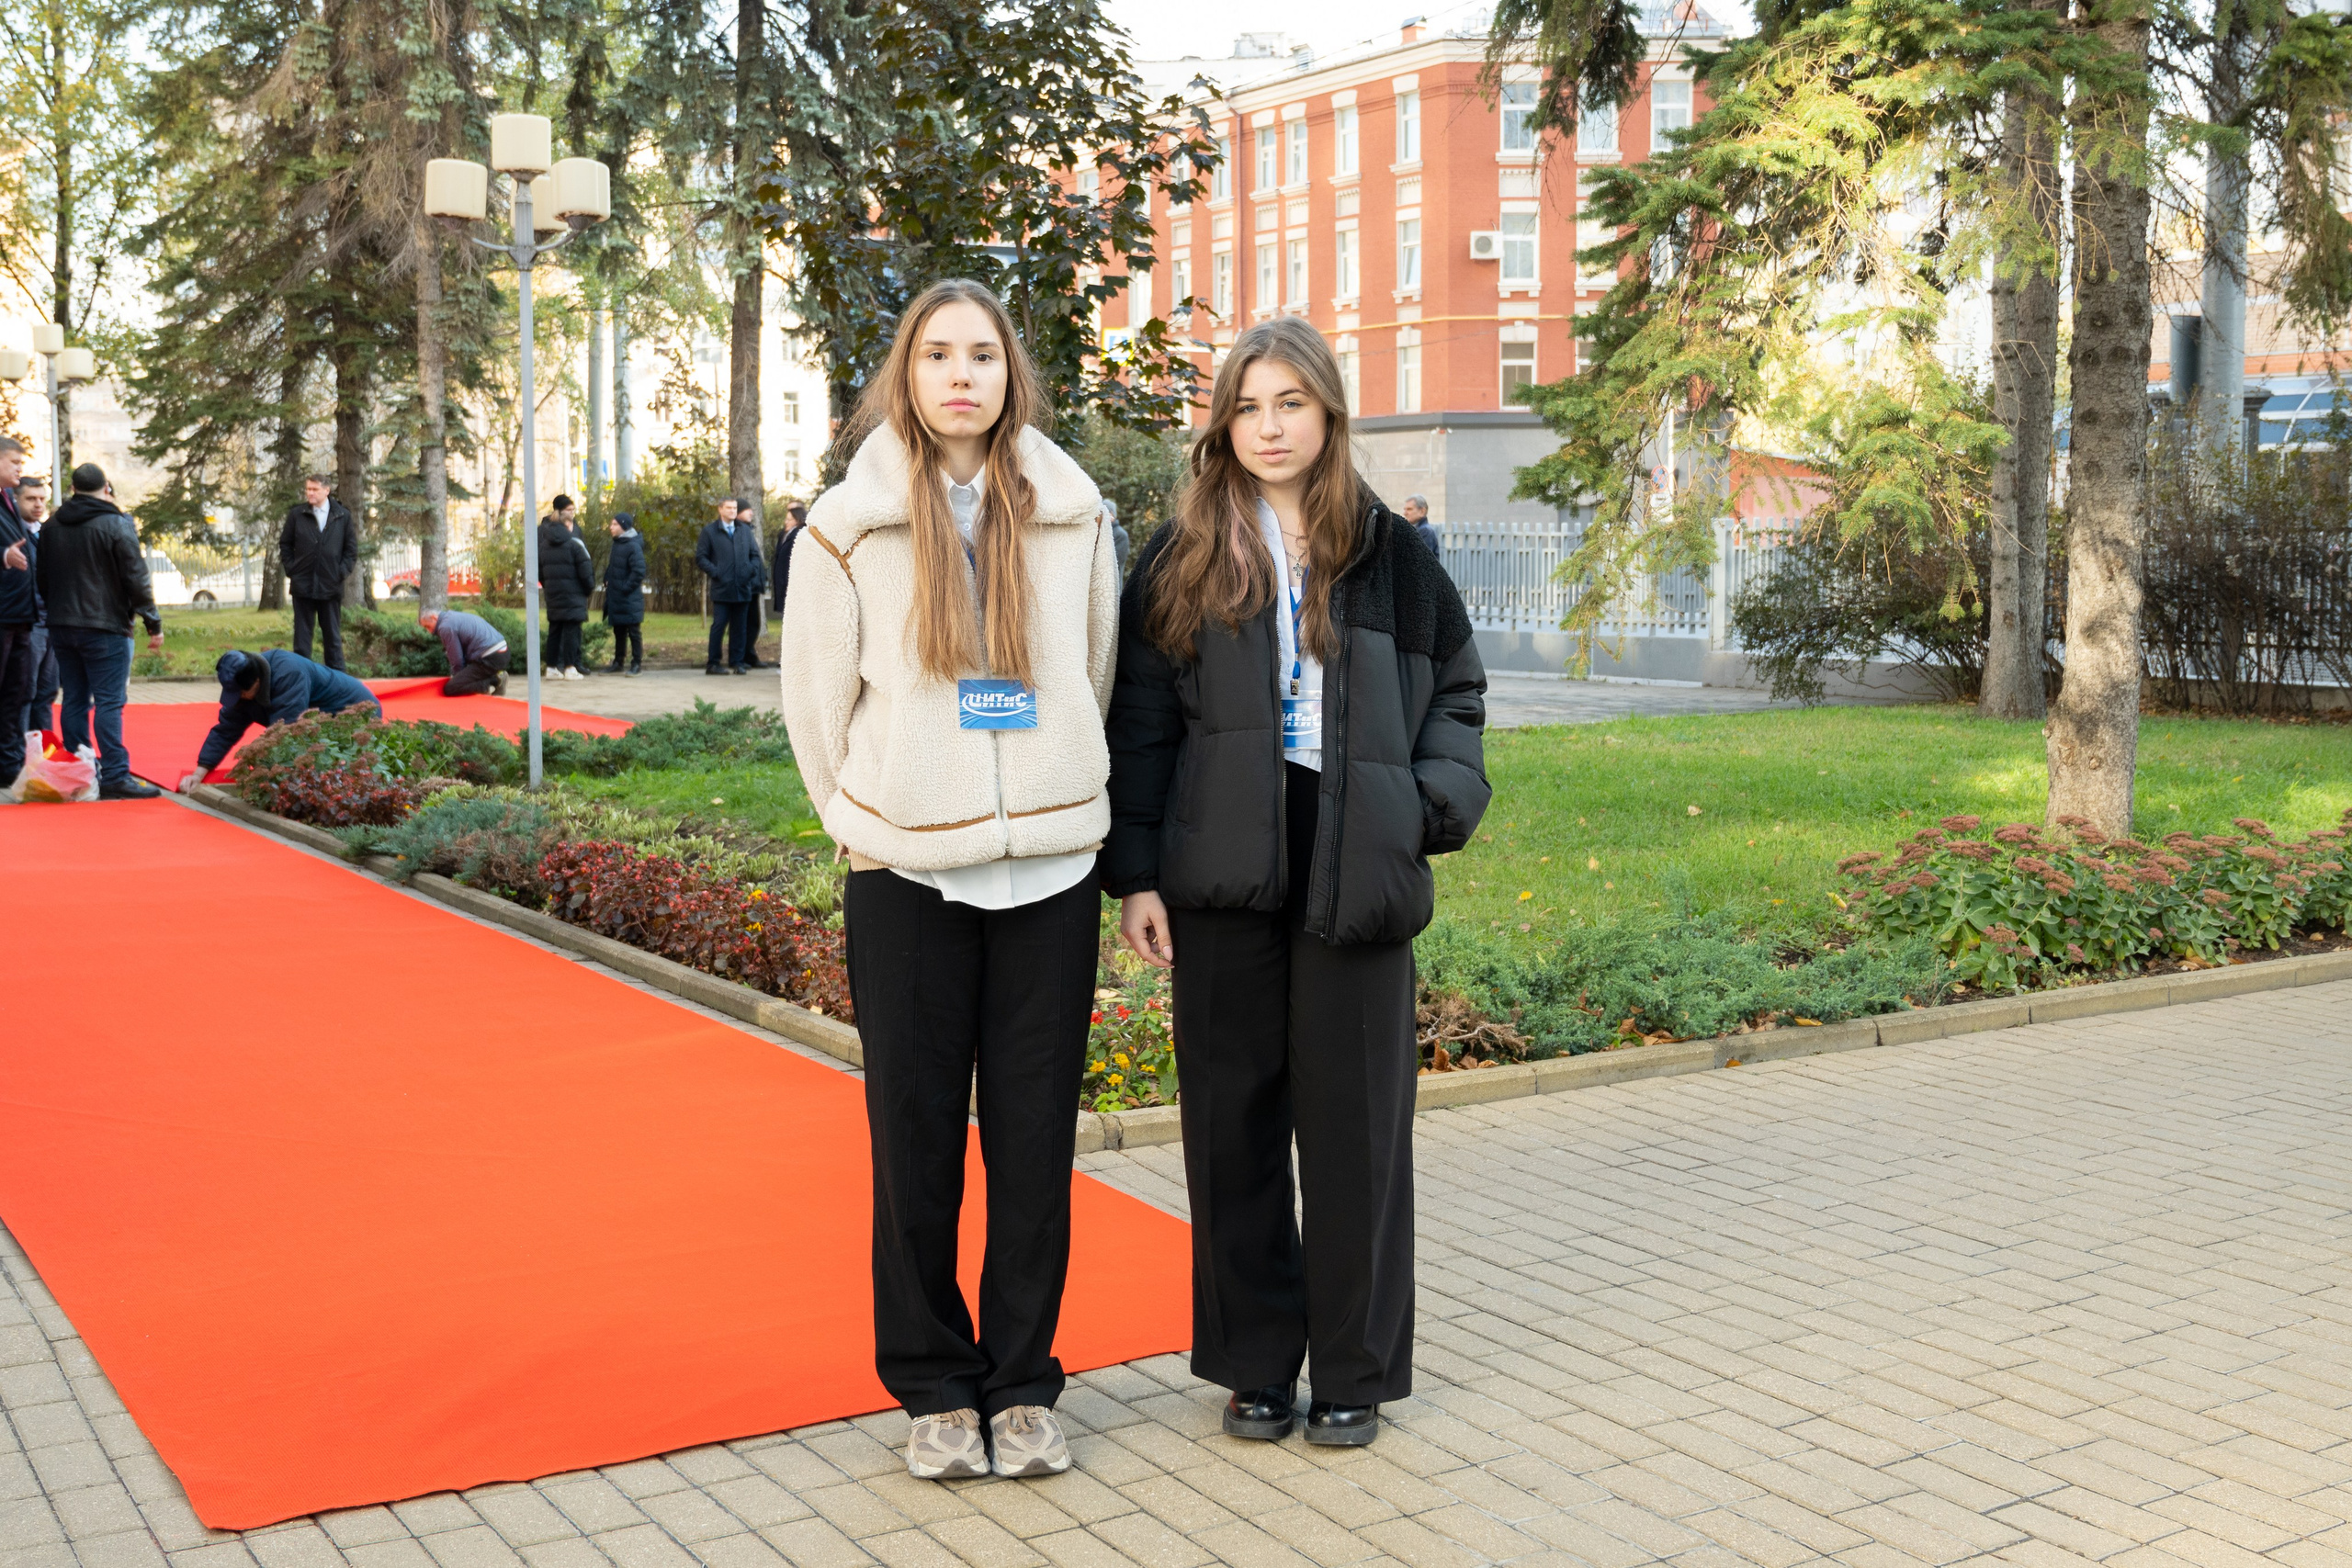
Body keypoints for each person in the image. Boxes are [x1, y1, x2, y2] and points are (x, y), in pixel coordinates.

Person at [1103, 316, 1489, 1449]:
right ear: (1223, 424)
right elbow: (1136, 726)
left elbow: (1457, 698)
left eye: (1291, 405)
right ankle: (1256, 1366)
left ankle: (1356, 1370)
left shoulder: (1393, 556)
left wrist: (1422, 811)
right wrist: (1136, 875)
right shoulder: (1178, 558)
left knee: (1357, 1127)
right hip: (1219, 862)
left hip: (1352, 856)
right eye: (1248, 407)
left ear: (1328, 414)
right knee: (1232, 1125)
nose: (1269, 428)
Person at [778, 278, 1118, 1483]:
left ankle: (1022, 1383)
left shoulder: (1074, 514)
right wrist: (859, 819)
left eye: (981, 352)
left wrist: (1066, 792)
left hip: (1050, 877)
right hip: (909, 876)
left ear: (1009, 371)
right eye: (937, 355)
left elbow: (1093, 666)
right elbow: (817, 701)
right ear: (908, 376)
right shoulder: (847, 525)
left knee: (1033, 1143)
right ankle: (932, 1381)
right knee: (915, 1139)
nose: (961, 374)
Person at [34, 464, 165, 799]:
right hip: (106, 626)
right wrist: (152, 622)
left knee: (75, 699)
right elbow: (136, 577)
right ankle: (116, 775)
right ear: (105, 487)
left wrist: (57, 612)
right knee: (109, 701)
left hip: (62, 626)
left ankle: (82, 770)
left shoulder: (50, 527)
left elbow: (43, 579)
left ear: (74, 488)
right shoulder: (116, 524)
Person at [176, 649, 381, 789]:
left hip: (355, 710)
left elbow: (284, 732)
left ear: (257, 681)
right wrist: (199, 773)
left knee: (344, 772)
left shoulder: (289, 674)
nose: (239, 699)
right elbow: (226, 729)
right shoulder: (244, 680)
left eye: (242, 693)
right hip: (319, 715)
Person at [278, 475, 357, 670]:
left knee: (332, 637)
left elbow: (351, 550)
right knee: (302, 640)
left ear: (326, 490)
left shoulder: (342, 516)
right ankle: (301, 680)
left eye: (314, 489)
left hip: (330, 586)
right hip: (303, 586)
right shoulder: (297, 515)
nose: (310, 493)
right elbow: (285, 544)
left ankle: (338, 683)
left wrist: (340, 573)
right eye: (308, 489)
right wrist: (292, 570)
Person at [696, 492, 765, 675]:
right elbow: (701, 557)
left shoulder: (744, 531)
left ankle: (737, 662)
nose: (733, 511)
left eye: (735, 508)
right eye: (729, 508)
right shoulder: (710, 532)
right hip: (722, 588)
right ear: (720, 509)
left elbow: (755, 556)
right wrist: (716, 572)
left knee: (740, 627)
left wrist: (749, 571)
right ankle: (713, 663)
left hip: (742, 588)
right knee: (719, 626)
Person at [0, 440, 32, 788]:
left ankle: (8, 768)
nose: (20, 468)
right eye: (14, 461)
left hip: (19, 615)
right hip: (4, 612)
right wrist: (2, 554)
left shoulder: (9, 500)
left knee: (15, 695)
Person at [537, 495, 594, 680]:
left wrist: (549, 586)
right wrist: (588, 588)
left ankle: (552, 667)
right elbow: (585, 570)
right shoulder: (574, 544)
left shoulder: (545, 543)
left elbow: (540, 569)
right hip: (573, 593)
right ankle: (570, 667)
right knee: (571, 631)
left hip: (553, 592)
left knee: (555, 630)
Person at [18, 476, 57, 739]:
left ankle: (45, 756)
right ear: (15, 499)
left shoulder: (47, 533)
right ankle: (16, 757)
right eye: (31, 499)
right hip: (27, 623)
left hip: (51, 622)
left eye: (42, 499)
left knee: (46, 692)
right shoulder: (12, 535)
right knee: (24, 692)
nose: (38, 504)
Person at [418, 607, 509, 695]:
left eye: (428, 626)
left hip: (490, 658)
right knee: (463, 678)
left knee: (450, 689)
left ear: (434, 617)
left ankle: (495, 680)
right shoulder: (452, 616)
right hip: (502, 652)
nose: (429, 631)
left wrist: (458, 679)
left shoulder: (445, 627)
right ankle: (495, 678)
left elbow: (457, 659)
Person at [603, 513, 647, 675]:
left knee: (633, 632)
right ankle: (618, 662)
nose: (611, 527)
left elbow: (639, 571)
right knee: (619, 631)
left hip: (629, 598)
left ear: (624, 526)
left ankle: (636, 664)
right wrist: (607, 578)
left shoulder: (632, 545)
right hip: (617, 597)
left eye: (614, 524)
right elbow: (614, 566)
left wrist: (624, 587)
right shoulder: (618, 544)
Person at [768, 501, 805, 625]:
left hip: (793, 585)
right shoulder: (783, 535)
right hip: (782, 583)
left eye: (789, 520)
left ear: (797, 520)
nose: (785, 522)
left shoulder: (800, 534)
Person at [1399, 493, 1442, 558]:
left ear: (1422, 511)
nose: (1405, 513)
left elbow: (1420, 560)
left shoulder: (1425, 531)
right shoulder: (1417, 530)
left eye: (1409, 509)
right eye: (1404, 509)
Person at [1101, 498, 1132, 582]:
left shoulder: (1121, 535)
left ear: (1112, 515)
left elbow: (1113, 563)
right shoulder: (1100, 532)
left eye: (1104, 512)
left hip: (1112, 584)